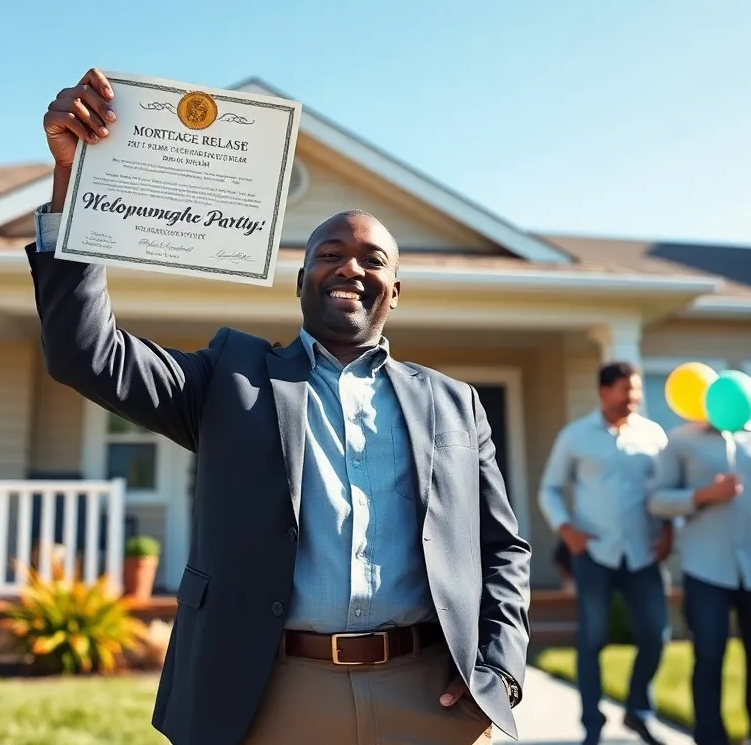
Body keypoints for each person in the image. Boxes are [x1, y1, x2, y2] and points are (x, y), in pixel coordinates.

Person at [29, 69, 531, 745]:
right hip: (271, 696)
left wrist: (500, 667)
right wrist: (73, 186)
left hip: (429, 698)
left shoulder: (453, 404)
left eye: (372, 259)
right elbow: (85, 353)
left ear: (395, 290)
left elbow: (502, 548)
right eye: (331, 253)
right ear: (300, 283)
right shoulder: (233, 381)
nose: (351, 267)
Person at [647, 416, 751, 745]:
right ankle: (709, 738)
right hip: (706, 570)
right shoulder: (680, 440)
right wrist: (702, 495)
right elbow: (656, 500)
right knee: (707, 657)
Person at [538, 361, 673, 745]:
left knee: (655, 635)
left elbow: (665, 492)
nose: (635, 397)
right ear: (604, 391)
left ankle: (637, 711)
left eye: (637, 390)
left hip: (643, 554)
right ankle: (592, 726)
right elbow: (548, 488)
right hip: (593, 553)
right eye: (627, 390)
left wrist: (668, 533)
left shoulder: (653, 435)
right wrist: (566, 529)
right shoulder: (576, 436)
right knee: (592, 639)